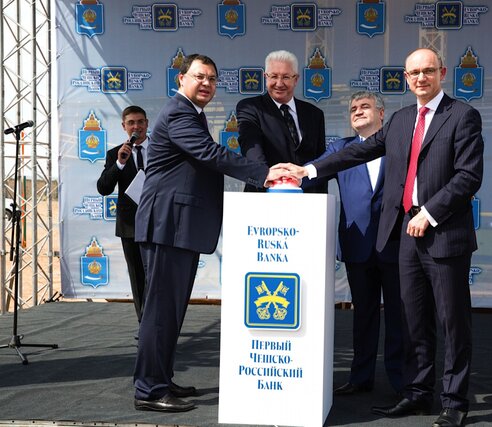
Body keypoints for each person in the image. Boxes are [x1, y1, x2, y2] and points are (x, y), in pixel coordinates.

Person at [278, 48, 484, 427]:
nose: (420, 78)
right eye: (413, 73)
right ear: (406, 78)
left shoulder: (462, 115)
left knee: (452, 323)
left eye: (427, 71)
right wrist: (308, 170)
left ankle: (454, 401)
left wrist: (429, 213)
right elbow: (359, 153)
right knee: (413, 321)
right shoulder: (402, 120)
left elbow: (468, 176)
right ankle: (418, 393)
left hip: (443, 234)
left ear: (441, 73)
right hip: (404, 236)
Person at [133, 53, 285, 413]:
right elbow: (208, 153)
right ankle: (149, 389)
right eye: (199, 76)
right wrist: (263, 173)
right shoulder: (179, 113)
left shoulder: (192, 114)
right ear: (181, 79)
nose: (207, 83)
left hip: (177, 226)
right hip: (167, 225)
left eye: (213, 79)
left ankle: (161, 377)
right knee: (160, 312)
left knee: (170, 311)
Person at [318, 91, 403, 396]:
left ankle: (401, 381)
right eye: (353, 108)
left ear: (382, 113)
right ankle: (360, 378)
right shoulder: (340, 149)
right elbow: (313, 172)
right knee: (363, 316)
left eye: (365, 106)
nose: (357, 111)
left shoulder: (398, 145)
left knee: (399, 317)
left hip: (396, 245)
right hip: (357, 246)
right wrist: (283, 177)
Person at [236, 49, 327, 193]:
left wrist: (321, 199)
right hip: (265, 195)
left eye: (285, 77)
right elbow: (252, 148)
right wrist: (267, 176)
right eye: (274, 76)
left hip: (307, 198)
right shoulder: (250, 108)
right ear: (265, 77)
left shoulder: (315, 114)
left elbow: (320, 163)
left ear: (296, 79)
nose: (279, 83)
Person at [96, 105, 148, 325]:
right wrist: (120, 163)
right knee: (138, 278)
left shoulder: (161, 149)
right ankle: (145, 326)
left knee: (159, 277)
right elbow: (103, 188)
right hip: (130, 226)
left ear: (147, 123)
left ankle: (161, 323)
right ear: (124, 126)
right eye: (131, 123)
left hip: (159, 222)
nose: (136, 126)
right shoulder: (116, 154)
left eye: (140, 122)